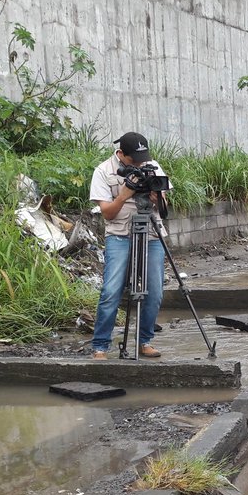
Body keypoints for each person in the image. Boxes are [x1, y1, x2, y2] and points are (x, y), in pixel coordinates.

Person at [89, 132, 169, 359]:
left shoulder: (152, 166)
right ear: (121, 154)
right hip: (120, 235)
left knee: (154, 292)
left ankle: (144, 341)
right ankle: (100, 346)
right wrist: (123, 195)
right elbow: (107, 214)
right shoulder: (103, 171)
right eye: (135, 159)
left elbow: (165, 203)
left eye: (143, 157)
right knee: (111, 290)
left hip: (152, 233)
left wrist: (158, 198)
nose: (140, 163)